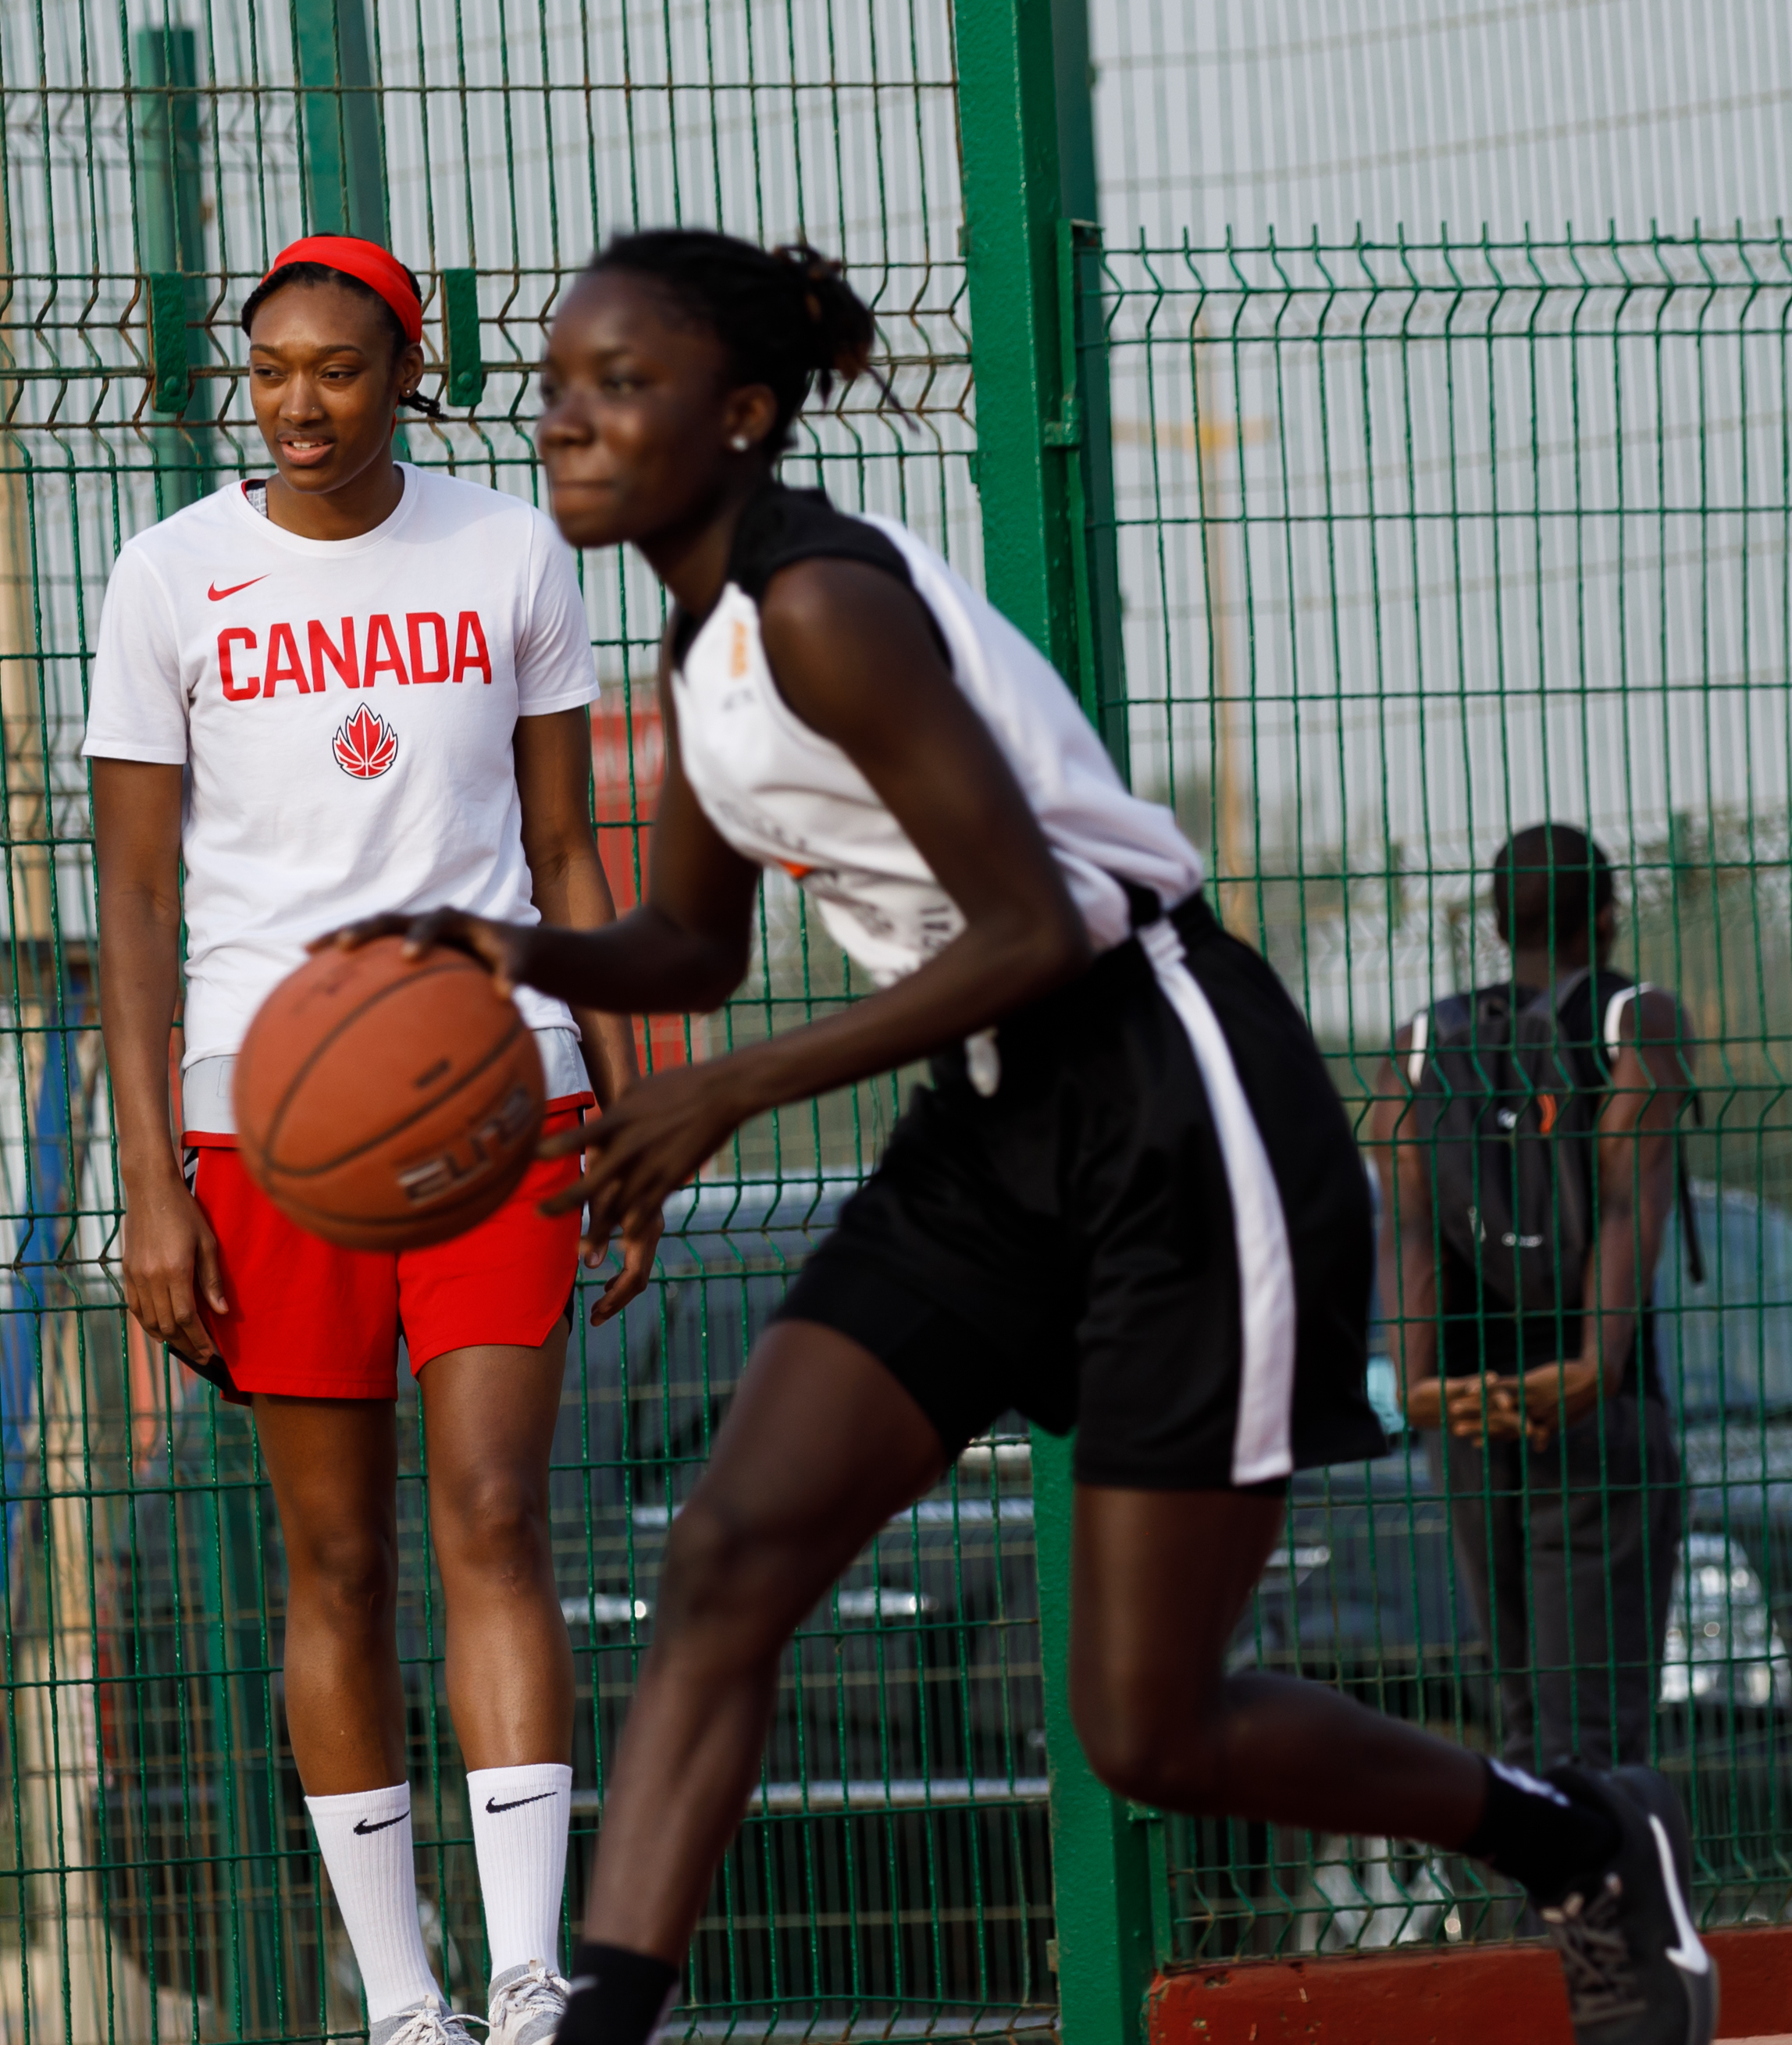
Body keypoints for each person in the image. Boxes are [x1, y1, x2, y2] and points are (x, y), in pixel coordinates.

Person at [344, 232, 1716, 2045]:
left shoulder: (825, 605)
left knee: (1151, 1728)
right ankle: (599, 2027)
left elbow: (1037, 925)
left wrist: (729, 1089)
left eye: (619, 386)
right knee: (728, 1555)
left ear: (740, 415)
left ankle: (1578, 1835)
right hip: (989, 1124)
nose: (568, 425)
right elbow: (696, 942)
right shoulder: (706, 641)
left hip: (1169, 1104)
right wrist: (496, 947)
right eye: (554, 389)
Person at [85, 234, 657, 2045]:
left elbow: (568, 856)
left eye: (337, 368)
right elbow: (133, 907)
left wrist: (630, 1094)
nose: (300, 402)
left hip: (501, 1096)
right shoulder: (172, 575)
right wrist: (151, 1185)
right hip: (272, 1120)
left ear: (407, 373)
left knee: (493, 1513)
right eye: (270, 370)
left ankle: (523, 1975)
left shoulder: (510, 551)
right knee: (331, 1565)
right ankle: (401, 1999)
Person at [1379, 824, 1693, 1772]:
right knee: (1597, 1732)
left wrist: (1421, 1386)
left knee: (1522, 1721)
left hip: (1469, 1413)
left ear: (1492, 917)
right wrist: (1593, 1364)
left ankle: (1552, 1911)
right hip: (1595, 1409)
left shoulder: (1425, 1042)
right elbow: (1627, 1199)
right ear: (1606, 918)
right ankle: (1624, 1919)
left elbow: (1407, 1226)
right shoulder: (1635, 1020)